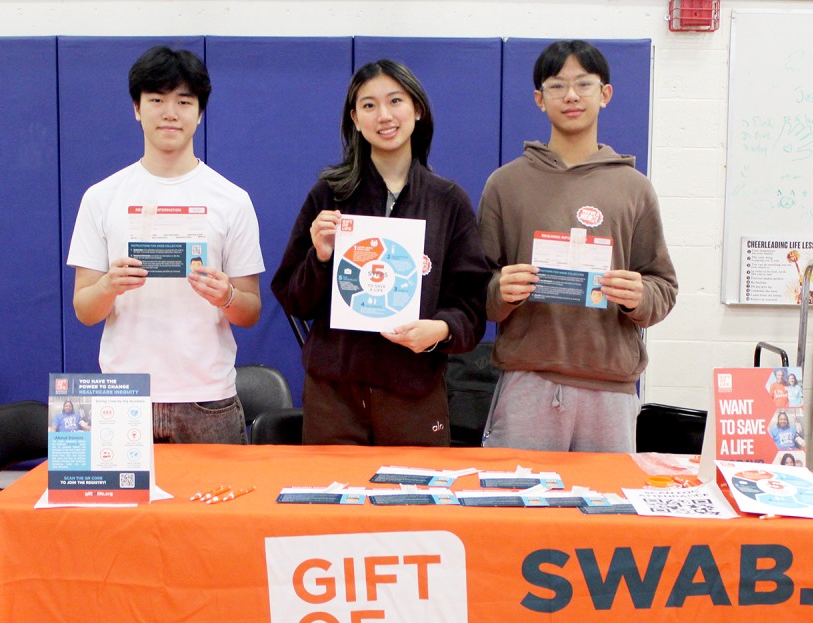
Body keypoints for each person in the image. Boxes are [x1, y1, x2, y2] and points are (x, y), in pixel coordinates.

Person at [272, 59, 491, 446]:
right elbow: (293, 297)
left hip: (414, 391)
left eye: (395, 101)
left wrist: (439, 330)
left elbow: (471, 307)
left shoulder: (448, 201)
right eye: (369, 105)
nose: (384, 115)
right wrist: (320, 259)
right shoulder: (329, 194)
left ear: (417, 110)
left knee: (414, 505)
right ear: (355, 118)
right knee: (333, 504)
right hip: (334, 394)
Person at [478, 40, 677, 453]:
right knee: (517, 508)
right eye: (557, 85)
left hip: (612, 389)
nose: (570, 96)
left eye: (583, 84)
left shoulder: (635, 189)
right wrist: (500, 290)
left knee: (610, 513)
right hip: (528, 380)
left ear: (604, 94)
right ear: (539, 99)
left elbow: (663, 287)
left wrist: (640, 297)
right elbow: (473, 289)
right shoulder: (505, 184)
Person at [67, 45, 264, 444]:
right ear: (137, 109)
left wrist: (225, 295)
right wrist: (108, 286)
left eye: (183, 101)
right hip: (122, 396)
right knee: (122, 510)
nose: (170, 112)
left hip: (208, 399)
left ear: (199, 112)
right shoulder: (102, 197)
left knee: (211, 510)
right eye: (156, 100)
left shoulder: (232, 199)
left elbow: (251, 310)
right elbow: (85, 311)